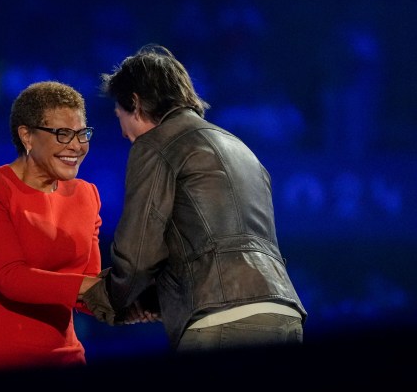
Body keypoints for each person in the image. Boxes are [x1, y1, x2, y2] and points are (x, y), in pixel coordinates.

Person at [80, 44, 307, 353]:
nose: (123, 133)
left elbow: (137, 255)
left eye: (120, 116)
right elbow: (207, 247)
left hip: (220, 321)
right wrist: (155, 301)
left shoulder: (155, 144)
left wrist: (109, 301)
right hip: (283, 312)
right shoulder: (242, 149)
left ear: (135, 102)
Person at [0, 80, 104, 373]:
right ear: (27, 137)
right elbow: (11, 278)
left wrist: (137, 299)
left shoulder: (87, 194)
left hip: (65, 356)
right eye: (62, 134)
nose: (76, 145)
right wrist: (101, 289)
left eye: (82, 133)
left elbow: (88, 293)